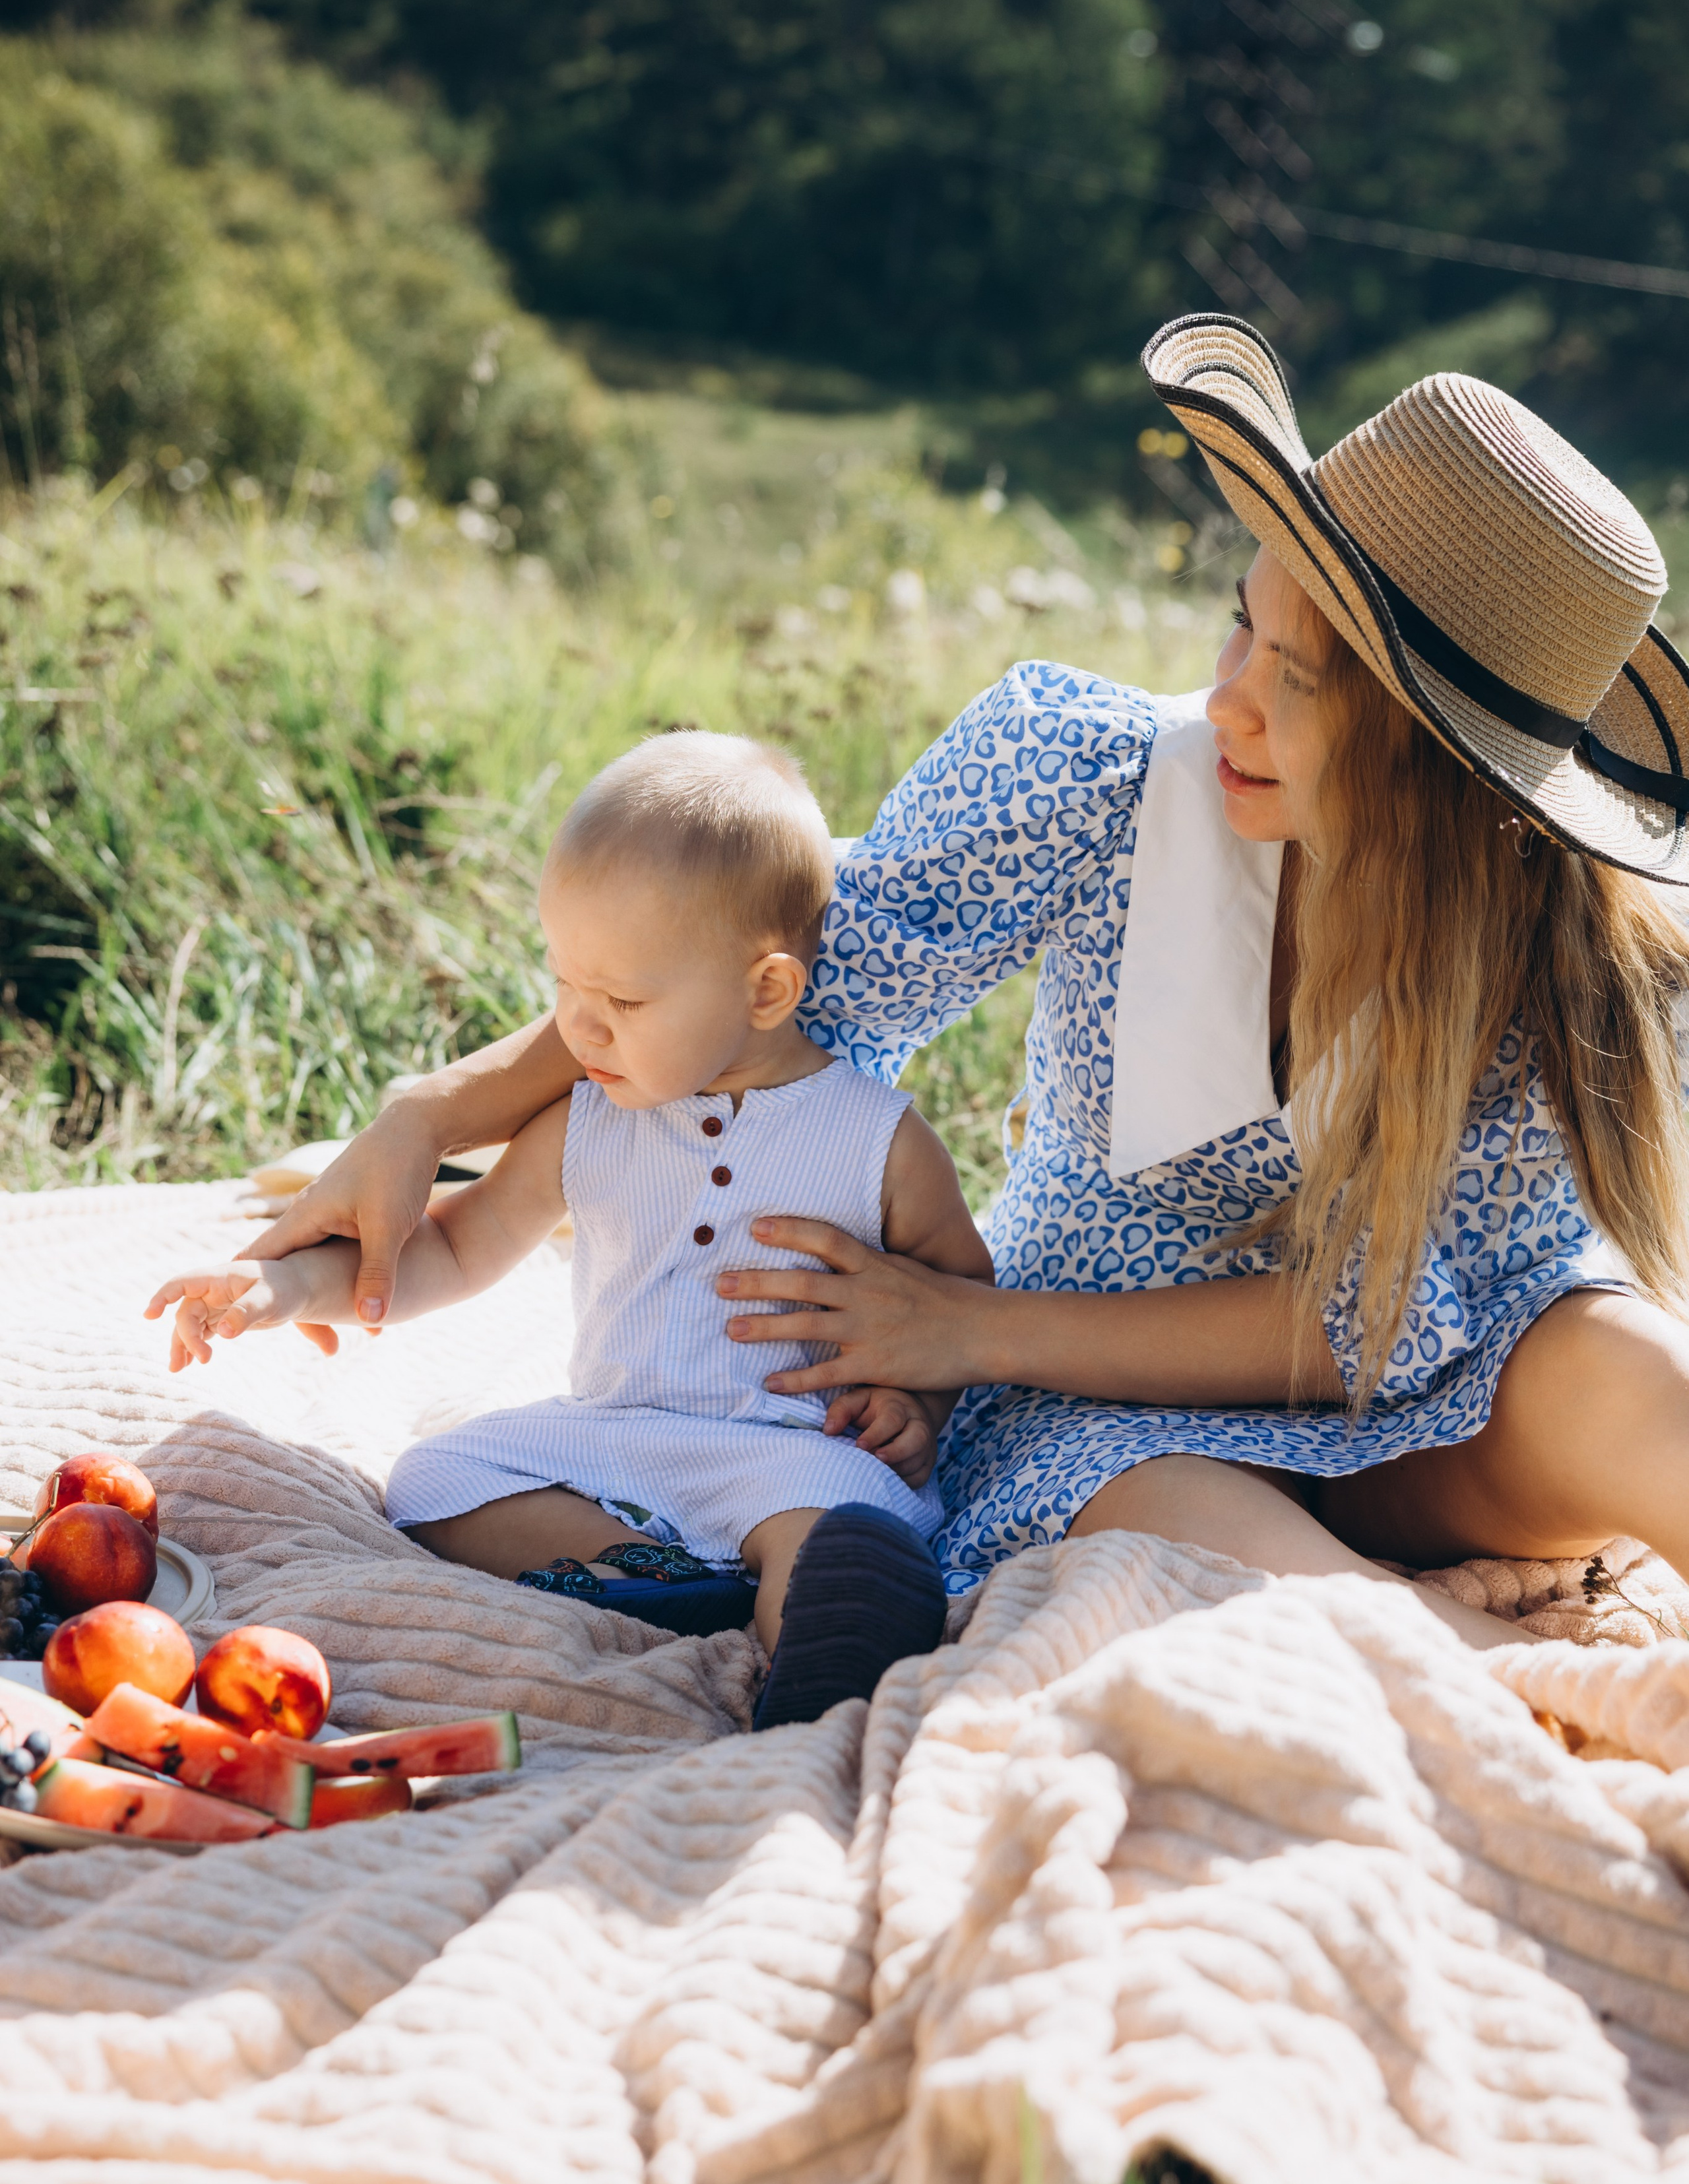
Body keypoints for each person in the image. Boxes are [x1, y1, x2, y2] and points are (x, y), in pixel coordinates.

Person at [245, 315, 1689, 1658]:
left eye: (1298, 679)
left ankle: (1456, 1630)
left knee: (1626, 1370)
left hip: (1425, 1403)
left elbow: (1368, 1328)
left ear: (1442, 769)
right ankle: (1480, 1675)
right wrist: (433, 1115)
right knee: (1244, 1562)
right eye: (1239, 623)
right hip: (1091, 1391)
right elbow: (765, 981)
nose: (1230, 694)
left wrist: (960, 1330)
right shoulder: (1090, 774)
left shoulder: (1549, 944)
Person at [148, 733, 994, 1727]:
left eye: (623, 1001)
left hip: (785, 1451)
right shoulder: (588, 1118)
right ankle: (667, 1580)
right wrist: (281, 1288)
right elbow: (456, 1247)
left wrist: (917, 1406)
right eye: (565, 988)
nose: (580, 1032)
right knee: (435, 1479)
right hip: (617, 1438)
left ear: (766, 991)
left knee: (830, 1534)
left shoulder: (875, 1139)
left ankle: (809, 1669)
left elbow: (959, 1295)